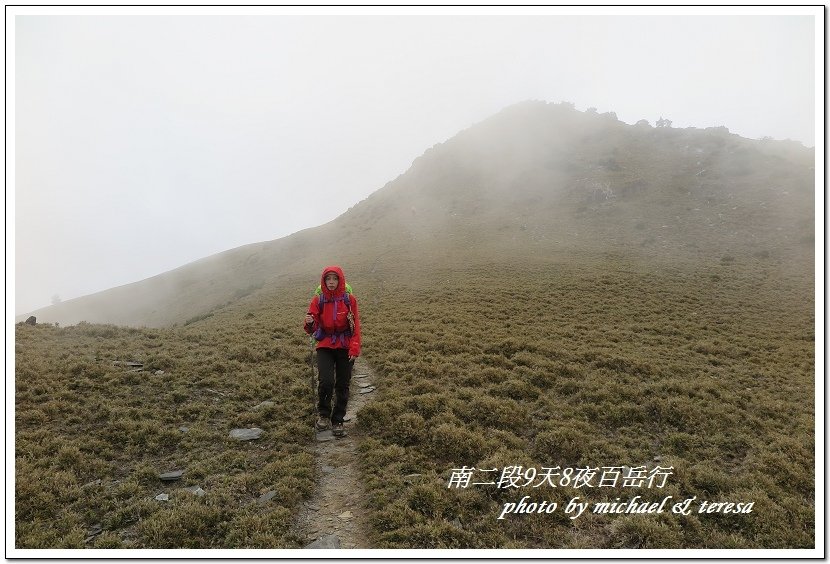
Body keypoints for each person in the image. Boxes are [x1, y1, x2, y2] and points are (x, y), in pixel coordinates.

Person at [304, 265, 361, 437]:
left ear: (340, 280)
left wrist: (354, 347)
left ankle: (338, 420)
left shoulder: (349, 300)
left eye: (334, 279)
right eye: (328, 279)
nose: (331, 282)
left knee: (343, 383)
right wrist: (309, 322)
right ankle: (323, 415)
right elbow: (310, 328)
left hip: (345, 345)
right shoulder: (318, 300)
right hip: (325, 344)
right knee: (326, 381)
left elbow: (356, 326)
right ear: (323, 281)